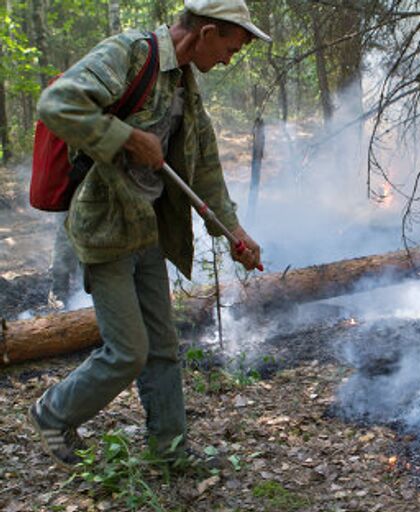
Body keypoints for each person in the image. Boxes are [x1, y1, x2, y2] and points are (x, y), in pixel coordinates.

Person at [28, 0, 270, 469]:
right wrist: (125, 137)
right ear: (205, 33)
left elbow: (206, 168)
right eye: (229, 48)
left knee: (161, 348)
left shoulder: (184, 83)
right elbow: (56, 104)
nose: (227, 59)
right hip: (104, 231)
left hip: (148, 233)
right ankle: (52, 411)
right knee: (128, 352)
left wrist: (233, 231)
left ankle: (170, 451)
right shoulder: (128, 55)